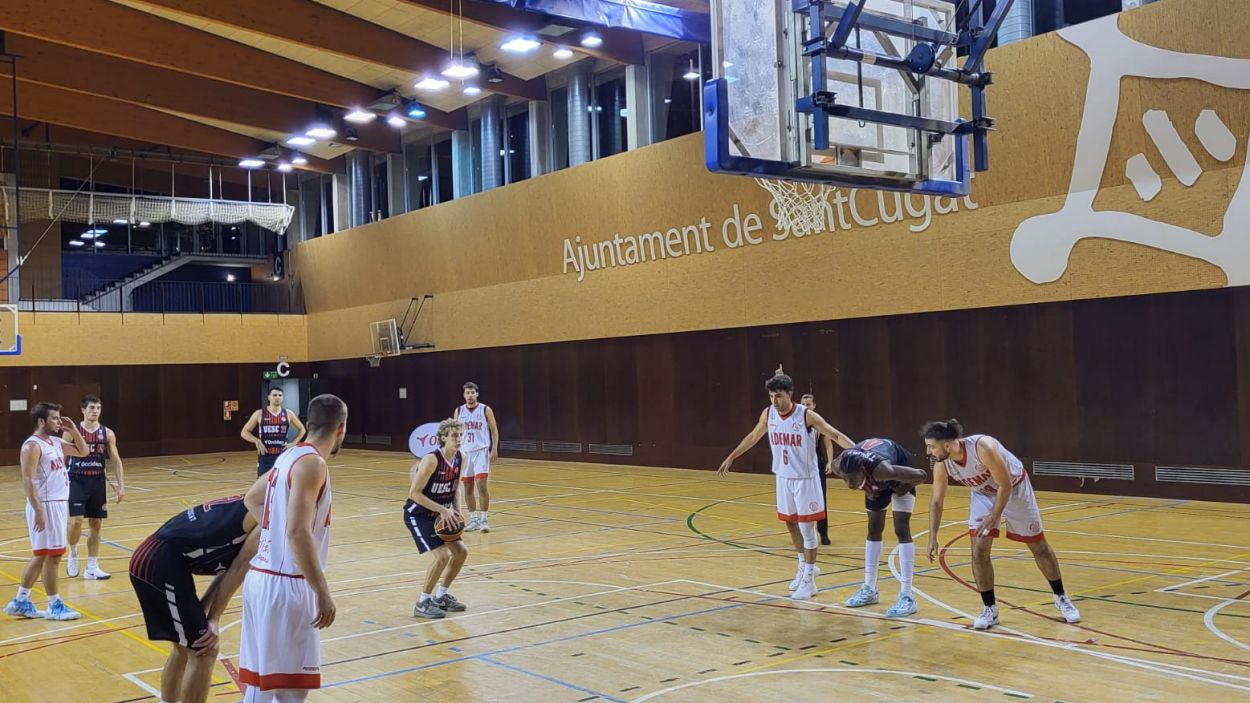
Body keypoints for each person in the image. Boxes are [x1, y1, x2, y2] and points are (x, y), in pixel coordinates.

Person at [922, 419, 1081, 630]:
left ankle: (1061, 597)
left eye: (931, 446)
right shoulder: (942, 464)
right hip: (983, 493)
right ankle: (990, 609)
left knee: (1038, 546)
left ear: (948, 445)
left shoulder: (983, 447)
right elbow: (936, 501)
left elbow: (1004, 484)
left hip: (1015, 489)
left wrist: (994, 517)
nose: (928, 451)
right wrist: (933, 535)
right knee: (979, 549)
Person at [238, 393, 347, 702]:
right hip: (286, 586)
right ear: (341, 428)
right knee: (285, 692)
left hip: (261, 578)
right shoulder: (312, 463)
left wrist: (274, 534)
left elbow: (252, 498)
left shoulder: (288, 455)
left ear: (309, 423)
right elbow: (298, 531)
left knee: (272, 687)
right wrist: (323, 593)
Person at [718, 373, 854, 600]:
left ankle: (810, 581)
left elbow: (835, 434)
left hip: (805, 479)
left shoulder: (806, 416)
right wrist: (732, 456)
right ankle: (804, 565)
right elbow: (753, 436)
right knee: (790, 524)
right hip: (782, 478)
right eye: (771, 396)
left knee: (807, 529)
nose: (774, 401)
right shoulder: (768, 413)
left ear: (790, 395)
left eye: (778, 396)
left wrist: (862, 452)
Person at [129, 496, 261, 703]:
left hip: (154, 557)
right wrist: (214, 618)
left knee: (184, 648)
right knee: (204, 650)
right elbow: (240, 567)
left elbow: (227, 570)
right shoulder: (269, 514)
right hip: (160, 563)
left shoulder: (252, 503)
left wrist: (206, 608)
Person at [4, 402, 89, 620]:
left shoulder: (55, 441)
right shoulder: (32, 446)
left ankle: (21, 600)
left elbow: (83, 451)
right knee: (52, 556)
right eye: (54, 418)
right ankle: (54, 605)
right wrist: (38, 510)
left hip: (58, 503)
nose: (59, 422)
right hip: (46, 505)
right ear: (42, 421)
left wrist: (74, 430)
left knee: (43, 556)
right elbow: (28, 480)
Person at [834, 438, 928, 617]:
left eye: (854, 479)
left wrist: (903, 488)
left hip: (900, 473)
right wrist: (868, 489)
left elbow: (922, 475)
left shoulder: (884, 470)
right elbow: (852, 478)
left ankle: (907, 596)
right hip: (877, 479)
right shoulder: (839, 465)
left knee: (901, 528)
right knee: (873, 528)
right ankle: (869, 589)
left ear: (863, 470)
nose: (850, 485)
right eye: (846, 480)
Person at [405, 418, 470, 619]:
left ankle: (441, 596)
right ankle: (423, 602)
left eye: (460, 435)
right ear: (443, 438)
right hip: (419, 514)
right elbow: (414, 493)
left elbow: (455, 488)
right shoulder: (431, 460)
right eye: (454, 436)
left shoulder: (462, 458)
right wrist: (443, 510)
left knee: (461, 553)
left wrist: (457, 512)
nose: (458, 439)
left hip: (442, 513)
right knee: (442, 556)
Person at [66, 395, 126, 580]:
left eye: (98, 408)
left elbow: (115, 460)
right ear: (83, 410)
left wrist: (121, 486)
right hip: (76, 480)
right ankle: (73, 552)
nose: (95, 411)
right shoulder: (72, 432)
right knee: (76, 522)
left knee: (96, 524)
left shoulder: (107, 433)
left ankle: (92, 566)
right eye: (92, 407)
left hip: (97, 481)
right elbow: (63, 459)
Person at [455, 382, 499, 533]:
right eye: (467, 393)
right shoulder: (459, 411)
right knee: (467, 487)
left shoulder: (485, 409)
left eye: (473, 392)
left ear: (477, 394)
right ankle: (473, 519)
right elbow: (455, 433)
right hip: (465, 452)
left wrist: (494, 449)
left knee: (481, 485)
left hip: (481, 451)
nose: (470, 395)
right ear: (464, 395)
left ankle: (484, 520)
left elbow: (494, 430)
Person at [240, 387, 307, 477]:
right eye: (274, 395)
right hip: (265, 456)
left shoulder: (288, 413)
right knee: (263, 485)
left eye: (280, 395)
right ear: (269, 397)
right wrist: (257, 441)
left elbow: (302, 429)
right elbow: (244, 432)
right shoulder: (260, 413)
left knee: (282, 484)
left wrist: (294, 443)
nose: (277, 397)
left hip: (282, 455)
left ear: (283, 398)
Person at [799, 393, 835, 545]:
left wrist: (830, 462)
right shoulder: (795, 422)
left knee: (821, 499)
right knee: (799, 500)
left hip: (816, 464)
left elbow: (828, 444)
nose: (805, 407)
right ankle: (802, 533)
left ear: (814, 406)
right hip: (799, 465)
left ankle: (823, 533)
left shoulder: (819, 423)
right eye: (803, 404)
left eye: (808, 404)